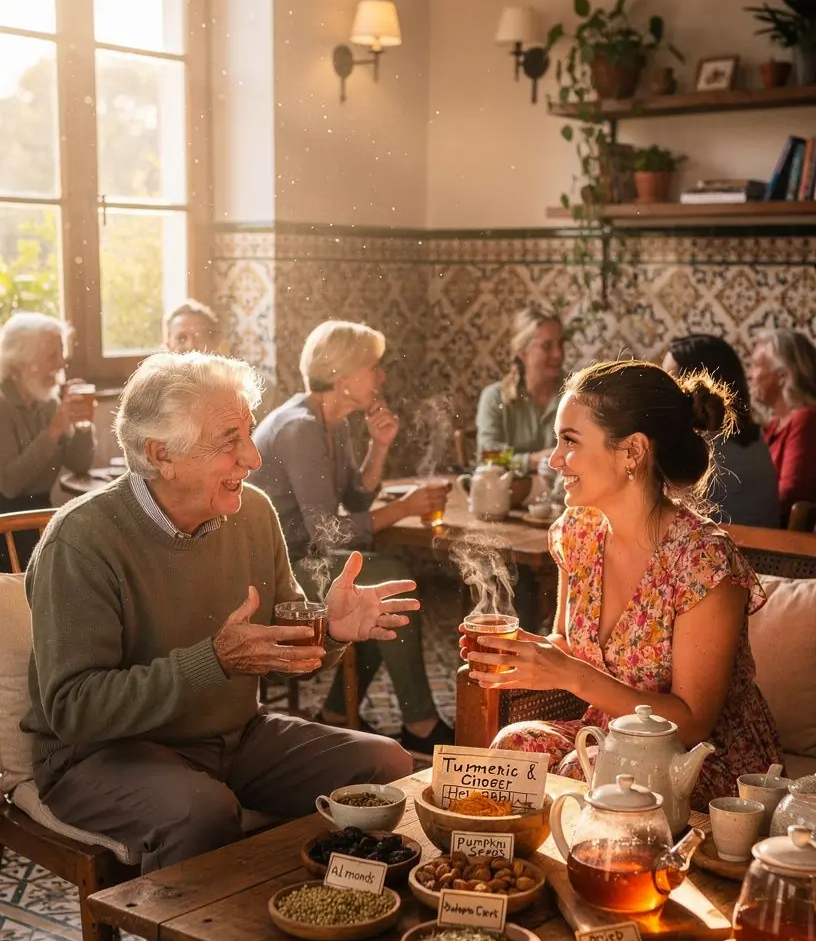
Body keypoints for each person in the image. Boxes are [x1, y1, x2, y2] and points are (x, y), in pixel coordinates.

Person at [23, 350, 417, 941]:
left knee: (383, 768)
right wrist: (216, 660)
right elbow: (73, 707)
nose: (254, 457)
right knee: (200, 809)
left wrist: (327, 631)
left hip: (232, 734)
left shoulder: (253, 513)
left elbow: (275, 637)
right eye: (230, 438)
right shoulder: (83, 541)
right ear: (160, 453)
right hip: (101, 756)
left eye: (248, 434)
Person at [470, 360, 783, 807]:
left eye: (570, 442)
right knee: (511, 751)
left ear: (632, 452)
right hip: (607, 738)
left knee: (582, 771)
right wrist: (526, 653)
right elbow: (570, 644)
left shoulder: (703, 561)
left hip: (702, 764)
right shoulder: (577, 531)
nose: (555, 459)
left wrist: (568, 673)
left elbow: (692, 723)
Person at [254, 320, 454, 755]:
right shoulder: (299, 427)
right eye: (374, 367)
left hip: (304, 555)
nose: (382, 376)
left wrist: (379, 446)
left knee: (384, 588)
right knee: (393, 577)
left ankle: (337, 712)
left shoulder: (333, 422)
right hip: (274, 568)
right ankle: (419, 721)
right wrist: (404, 508)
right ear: (343, 377)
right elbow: (327, 530)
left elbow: (356, 499)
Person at [0, 312, 96, 569]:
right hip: (5, 523)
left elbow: (79, 464)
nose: (62, 364)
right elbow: (9, 485)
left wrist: (83, 426)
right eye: (52, 355)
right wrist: (54, 430)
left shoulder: (49, 401)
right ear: (22, 360)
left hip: (38, 518)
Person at [663, 334, 778, 528]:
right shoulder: (753, 437)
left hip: (739, 552)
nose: (664, 392)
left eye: (671, 380)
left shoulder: (706, 447)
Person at [475, 306, 565, 471]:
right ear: (522, 352)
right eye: (547, 346)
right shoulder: (494, 398)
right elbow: (487, 456)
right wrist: (531, 461)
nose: (558, 354)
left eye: (561, 343)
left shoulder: (576, 396)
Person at [748, 328, 816, 523]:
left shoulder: (806, 420)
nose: (750, 375)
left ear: (782, 376)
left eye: (756, 366)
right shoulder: (776, 424)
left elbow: (791, 493)